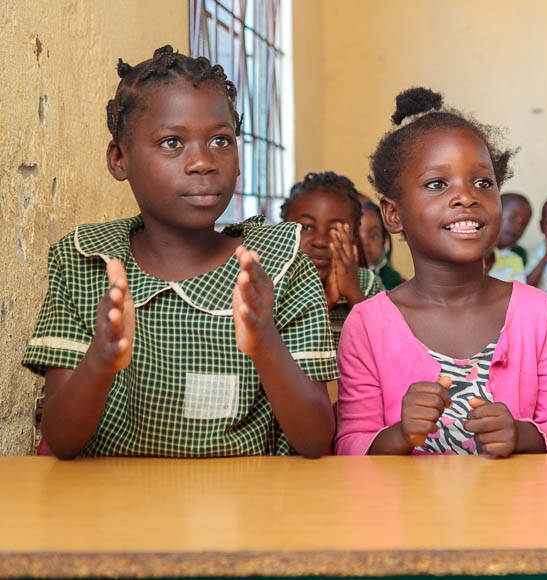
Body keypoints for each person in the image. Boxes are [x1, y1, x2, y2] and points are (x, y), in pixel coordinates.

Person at [21, 46, 337, 458]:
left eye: (221, 140)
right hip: (110, 496)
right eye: (172, 142)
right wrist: (101, 359)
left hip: (247, 495)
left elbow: (315, 440)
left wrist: (265, 344)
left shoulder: (277, 264)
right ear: (119, 159)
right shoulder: (87, 262)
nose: (203, 162)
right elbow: (61, 440)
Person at [335, 87, 547, 456]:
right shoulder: (369, 325)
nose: (467, 197)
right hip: (407, 498)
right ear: (393, 214)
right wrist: (399, 435)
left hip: (515, 496)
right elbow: (348, 445)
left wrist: (521, 435)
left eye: (483, 183)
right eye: (437, 184)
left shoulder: (536, 312)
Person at [281, 172, 384, 346]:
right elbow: (274, 347)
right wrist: (326, 301)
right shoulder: (276, 285)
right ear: (282, 232)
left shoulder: (367, 283)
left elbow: (386, 344)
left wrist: (353, 292)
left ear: (353, 240)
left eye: (335, 230)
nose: (320, 241)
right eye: (306, 227)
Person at [360, 200, 403, 290]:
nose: (365, 242)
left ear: (383, 241)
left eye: (373, 235)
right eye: (357, 235)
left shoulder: (393, 279)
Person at [497, 192, 532, 265]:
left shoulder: (519, 254)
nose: (518, 227)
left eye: (524, 223)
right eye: (512, 218)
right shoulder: (476, 249)